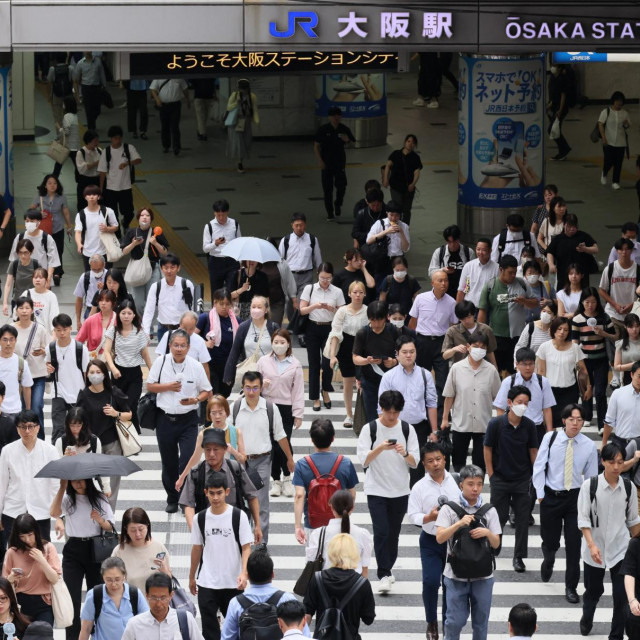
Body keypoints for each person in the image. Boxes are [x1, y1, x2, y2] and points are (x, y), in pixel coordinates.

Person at [532, 404, 598, 604]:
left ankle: (571, 587)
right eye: (572, 419)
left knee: (573, 544)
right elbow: (539, 465)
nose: (576, 423)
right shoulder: (550, 438)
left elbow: (592, 477)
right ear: (564, 420)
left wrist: (588, 504)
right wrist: (541, 494)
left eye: (579, 420)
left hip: (574, 499)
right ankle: (549, 557)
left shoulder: (588, 445)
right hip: (551, 496)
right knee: (550, 540)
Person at [357, 390, 419, 593]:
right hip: (376, 489)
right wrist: (380, 448)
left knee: (393, 533)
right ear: (381, 409)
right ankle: (383, 573)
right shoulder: (370, 428)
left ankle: (388, 569)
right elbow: (364, 460)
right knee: (381, 531)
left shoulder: (407, 429)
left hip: (400, 490)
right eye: (388, 411)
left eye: (396, 412)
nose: (392, 416)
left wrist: (405, 453)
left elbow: (415, 462)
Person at [577, 443, 640, 638]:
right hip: (593, 551)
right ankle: (587, 617)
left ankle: (615, 636)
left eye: (620, 462)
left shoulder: (628, 488)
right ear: (602, 461)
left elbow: (633, 523)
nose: (616, 467)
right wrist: (592, 545)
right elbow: (583, 519)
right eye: (611, 462)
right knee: (593, 592)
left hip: (620, 550)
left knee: (621, 598)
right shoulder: (590, 486)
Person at [146, 329, 212, 513]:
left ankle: (187, 498)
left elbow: (206, 390)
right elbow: (150, 385)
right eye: (176, 345)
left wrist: (196, 400)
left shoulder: (195, 366)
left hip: (188, 420)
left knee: (188, 460)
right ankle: (172, 498)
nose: (179, 349)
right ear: (170, 346)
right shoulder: (161, 362)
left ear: (189, 347)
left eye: (183, 345)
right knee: (169, 462)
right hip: (164, 419)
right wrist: (168, 387)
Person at [435, 464, 501, 640]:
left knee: (481, 623)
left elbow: (496, 544)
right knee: (454, 621)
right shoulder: (449, 509)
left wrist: (487, 533)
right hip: (455, 576)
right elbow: (440, 537)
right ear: (461, 485)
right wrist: (458, 524)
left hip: (483, 576)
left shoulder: (490, 511)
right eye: (470, 484)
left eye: (479, 484)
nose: (475, 488)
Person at [230, 372, 293, 543]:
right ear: (243, 387)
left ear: (261, 388)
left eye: (255, 388)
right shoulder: (235, 408)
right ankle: (242, 540)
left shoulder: (270, 409)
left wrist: (289, 458)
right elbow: (227, 434)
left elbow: (280, 436)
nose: (251, 392)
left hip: (262, 461)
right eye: (248, 388)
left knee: (261, 502)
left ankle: (261, 542)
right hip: (239, 462)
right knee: (240, 502)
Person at [189, 471, 252, 640]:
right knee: (209, 631)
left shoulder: (239, 516)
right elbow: (196, 549)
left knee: (237, 628)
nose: (215, 497)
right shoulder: (199, 519)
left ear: (227, 492)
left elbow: (246, 547)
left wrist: (244, 573)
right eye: (212, 493)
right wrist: (191, 577)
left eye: (219, 493)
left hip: (233, 582)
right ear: (206, 493)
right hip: (207, 581)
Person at [50, 477, 115, 640]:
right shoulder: (68, 499)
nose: (78, 483)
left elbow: (111, 526)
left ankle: (96, 634)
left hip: (95, 549)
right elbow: (53, 513)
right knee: (71, 598)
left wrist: (100, 520)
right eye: (74, 481)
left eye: (81, 480)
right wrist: (61, 487)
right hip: (73, 548)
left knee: (96, 595)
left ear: (88, 480)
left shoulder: (99, 498)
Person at [407, 442, 460, 640]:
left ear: (444, 459)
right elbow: (412, 515)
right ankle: (431, 621)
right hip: (430, 540)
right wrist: (428, 518)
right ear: (424, 464)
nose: (436, 464)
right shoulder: (419, 487)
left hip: (453, 540)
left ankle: (447, 621)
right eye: (430, 461)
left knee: (450, 583)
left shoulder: (456, 481)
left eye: (438, 459)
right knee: (430, 582)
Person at [484, 385, 538, 573]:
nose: (522, 406)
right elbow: (488, 449)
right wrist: (491, 475)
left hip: (523, 480)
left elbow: (533, 451)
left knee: (522, 520)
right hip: (500, 479)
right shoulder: (496, 424)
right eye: (519, 402)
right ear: (509, 403)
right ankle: (493, 548)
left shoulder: (529, 426)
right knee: (498, 517)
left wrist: (536, 477)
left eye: (526, 403)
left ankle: (518, 557)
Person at [178, 426, 260, 541]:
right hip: (207, 530)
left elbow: (252, 496)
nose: (211, 454)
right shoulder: (195, 473)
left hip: (234, 528)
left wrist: (257, 525)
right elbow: (188, 504)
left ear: (224, 449)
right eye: (207, 449)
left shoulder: (235, 468)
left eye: (216, 449)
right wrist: (195, 531)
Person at [379, 335, 438, 485]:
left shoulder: (425, 375)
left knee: (416, 467)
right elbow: (381, 407)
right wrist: (383, 430)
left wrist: (434, 431)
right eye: (404, 352)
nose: (408, 355)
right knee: (394, 464)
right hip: (395, 427)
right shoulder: (388, 377)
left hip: (419, 428)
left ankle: (414, 500)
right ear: (397, 354)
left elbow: (431, 403)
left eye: (412, 351)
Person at [76, 359, 132, 510]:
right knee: (92, 485)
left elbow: (129, 414)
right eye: (92, 372)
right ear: (87, 375)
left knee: (111, 488)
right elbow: (78, 419)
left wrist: (116, 413)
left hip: (112, 444)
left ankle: (109, 519)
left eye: (98, 372)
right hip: (92, 447)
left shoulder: (113, 392)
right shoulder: (84, 395)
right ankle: (95, 516)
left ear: (104, 374)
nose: (95, 375)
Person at [442, 332, 502, 472]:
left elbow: (498, 398)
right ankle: (459, 490)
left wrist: (499, 422)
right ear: (468, 347)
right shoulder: (457, 368)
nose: (479, 349)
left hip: (483, 424)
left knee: (480, 463)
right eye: (475, 346)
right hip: (461, 424)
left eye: (483, 347)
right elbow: (449, 395)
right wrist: (445, 419)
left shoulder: (491, 370)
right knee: (458, 462)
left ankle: (476, 491)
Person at [293, 418, 359, 545]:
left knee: (314, 561)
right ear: (333, 438)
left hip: (313, 522)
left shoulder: (302, 464)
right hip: (339, 522)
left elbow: (299, 495)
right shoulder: (345, 463)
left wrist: (297, 526)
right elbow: (352, 494)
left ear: (312, 439)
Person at [0, 410, 57, 552]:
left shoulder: (50, 451)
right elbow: (2, 484)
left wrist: (60, 517)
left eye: (30, 426)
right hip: (12, 511)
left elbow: (55, 485)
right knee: (14, 554)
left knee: (42, 554)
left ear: (38, 427)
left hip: (40, 511)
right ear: (17, 429)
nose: (27, 431)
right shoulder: (8, 451)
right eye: (22, 427)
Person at [256, 329, 304, 498]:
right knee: (272, 445)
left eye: (282, 342)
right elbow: (253, 385)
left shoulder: (295, 364)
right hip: (267, 406)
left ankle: (287, 477)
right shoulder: (263, 361)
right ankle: (275, 479)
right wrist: (263, 385)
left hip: (286, 408)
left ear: (289, 344)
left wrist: (298, 414)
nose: (278, 345)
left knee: (283, 442)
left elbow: (298, 390)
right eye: (276, 342)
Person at [221, 546, 304, 640]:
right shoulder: (287, 600)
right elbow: (302, 635)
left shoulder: (236, 603)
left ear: (247, 575)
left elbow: (227, 637)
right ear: (272, 574)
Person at [303, 534, 376, 640]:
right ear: (354, 554)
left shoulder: (318, 578)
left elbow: (307, 613)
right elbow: (368, 619)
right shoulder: (362, 584)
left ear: (331, 552)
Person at [477, 254, 539, 375]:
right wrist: (480, 335)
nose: (513, 275)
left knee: (516, 368)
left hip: (518, 336)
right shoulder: (490, 286)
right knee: (495, 369)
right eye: (510, 272)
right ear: (501, 270)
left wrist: (525, 302)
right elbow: (482, 311)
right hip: (497, 336)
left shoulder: (522, 284)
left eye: (515, 272)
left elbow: (535, 303)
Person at [408, 270, 457, 417]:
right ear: (432, 283)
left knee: (442, 380)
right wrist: (413, 342)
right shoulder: (421, 299)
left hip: (441, 343)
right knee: (420, 378)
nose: (444, 284)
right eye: (440, 281)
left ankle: (441, 414)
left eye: (446, 280)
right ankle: (420, 411)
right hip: (422, 341)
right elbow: (412, 322)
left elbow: (454, 325)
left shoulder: (451, 302)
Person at [299, 262, 345, 411]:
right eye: (322, 277)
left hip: (330, 329)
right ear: (317, 275)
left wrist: (333, 309)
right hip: (312, 327)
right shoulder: (309, 288)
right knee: (313, 364)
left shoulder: (337, 291)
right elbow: (302, 310)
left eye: (328, 278)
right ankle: (315, 397)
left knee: (328, 363)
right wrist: (315, 306)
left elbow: (343, 313)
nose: (325, 281)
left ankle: (325, 390)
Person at [2, 513, 61, 625]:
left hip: (44, 602)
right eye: (22, 536)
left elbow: (54, 579)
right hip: (20, 602)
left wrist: (42, 560)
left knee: (43, 635)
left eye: (30, 535)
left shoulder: (48, 548)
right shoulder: (12, 552)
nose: (27, 540)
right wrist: (11, 578)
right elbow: (4, 584)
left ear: (36, 532)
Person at [572, 288, 617, 432]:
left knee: (600, 392)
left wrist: (602, 333)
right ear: (582, 303)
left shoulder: (604, 317)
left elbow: (615, 336)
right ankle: (587, 416)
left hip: (601, 359)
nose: (590, 305)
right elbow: (574, 341)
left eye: (593, 302)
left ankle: (602, 424)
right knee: (585, 389)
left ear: (597, 302)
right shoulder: (577, 319)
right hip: (584, 360)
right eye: (587, 302)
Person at [103, 299, 152, 433]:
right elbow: (106, 351)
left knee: (131, 404)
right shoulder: (113, 331)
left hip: (135, 373)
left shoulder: (139, 332)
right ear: (118, 314)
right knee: (118, 405)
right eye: (123, 313)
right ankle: (119, 434)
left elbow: (145, 355)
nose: (126, 316)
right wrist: (113, 368)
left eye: (129, 313)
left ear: (134, 315)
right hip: (117, 373)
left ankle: (133, 434)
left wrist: (153, 373)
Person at [326, 280, 368, 428]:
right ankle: (349, 415)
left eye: (360, 292)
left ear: (364, 294)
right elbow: (335, 334)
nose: (357, 295)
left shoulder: (368, 311)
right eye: (354, 292)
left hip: (363, 348)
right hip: (346, 347)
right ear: (349, 294)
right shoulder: (342, 311)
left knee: (364, 382)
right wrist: (332, 355)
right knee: (348, 382)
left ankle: (364, 414)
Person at [79, 556, 150, 640]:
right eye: (108, 580)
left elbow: (146, 623)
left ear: (124, 576)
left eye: (117, 579)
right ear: (103, 577)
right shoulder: (94, 595)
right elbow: (86, 629)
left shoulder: (135, 594)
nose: (113, 584)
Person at [279, 212, 323, 347]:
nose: (299, 228)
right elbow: (280, 260)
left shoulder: (312, 239)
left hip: (306, 275)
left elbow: (318, 259)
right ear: (292, 225)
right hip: (289, 275)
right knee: (289, 302)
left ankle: (301, 331)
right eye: (297, 225)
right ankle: (294, 326)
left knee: (302, 303)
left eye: (302, 225)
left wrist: (320, 275)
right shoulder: (285, 240)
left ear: (305, 225)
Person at [495, 347, 555, 446]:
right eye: (524, 364)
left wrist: (549, 432)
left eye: (531, 364)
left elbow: (547, 409)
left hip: (536, 427)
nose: (528, 368)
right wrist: (502, 430)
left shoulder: (543, 382)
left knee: (536, 459)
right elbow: (500, 408)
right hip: (514, 427)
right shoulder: (509, 382)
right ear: (517, 364)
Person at [353, 301, 400, 422]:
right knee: (372, 418)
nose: (376, 324)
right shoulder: (363, 333)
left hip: (391, 381)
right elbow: (355, 358)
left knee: (391, 415)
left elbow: (404, 352)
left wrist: (394, 361)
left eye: (379, 320)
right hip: (369, 381)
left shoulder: (393, 331)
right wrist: (367, 360)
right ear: (368, 319)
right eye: (373, 320)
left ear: (386, 318)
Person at [306, 490, 372, 576]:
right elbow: (364, 568)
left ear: (332, 507)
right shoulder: (362, 534)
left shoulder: (318, 534)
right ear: (352, 508)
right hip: (353, 585)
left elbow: (310, 562)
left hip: (325, 584)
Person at [46, 314, 90, 443]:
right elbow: (47, 364)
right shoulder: (51, 347)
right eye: (58, 330)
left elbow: (85, 372)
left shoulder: (80, 348)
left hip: (78, 393)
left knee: (78, 427)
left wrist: (87, 394)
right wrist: (48, 368)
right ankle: (56, 454)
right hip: (58, 392)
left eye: (64, 329)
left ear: (71, 328)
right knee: (58, 428)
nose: (62, 333)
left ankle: (80, 451)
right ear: (54, 330)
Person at [122, 572, 203, 640]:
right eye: (154, 598)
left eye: (163, 598)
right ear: (147, 596)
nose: (158, 604)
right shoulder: (134, 624)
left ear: (171, 595)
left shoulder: (186, 619)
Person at [222, 296, 279, 390]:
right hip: (250, 373)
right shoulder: (243, 327)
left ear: (266, 310)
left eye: (259, 307)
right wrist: (228, 375)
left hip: (270, 374)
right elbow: (235, 351)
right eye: (253, 307)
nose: (256, 309)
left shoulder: (273, 327)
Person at [120, 207, 169, 312]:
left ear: (151, 218)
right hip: (137, 269)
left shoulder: (156, 232)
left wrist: (155, 243)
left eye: (147, 215)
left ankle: (149, 326)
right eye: (142, 215)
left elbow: (165, 252)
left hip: (153, 269)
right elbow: (124, 251)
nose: (145, 218)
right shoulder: (131, 232)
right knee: (137, 301)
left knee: (152, 300)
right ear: (138, 218)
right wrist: (133, 243)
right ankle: (142, 323)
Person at [111, 507, 171, 593]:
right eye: (133, 530)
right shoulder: (119, 552)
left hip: (156, 603)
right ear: (126, 529)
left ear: (147, 525)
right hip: (131, 603)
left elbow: (168, 579)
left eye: (141, 529)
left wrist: (166, 572)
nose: (138, 534)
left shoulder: (159, 547)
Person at [12, 297, 48, 434]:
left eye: (27, 308)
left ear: (32, 310)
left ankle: (40, 440)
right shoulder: (11, 328)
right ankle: (22, 438)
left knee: (36, 407)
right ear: (16, 311)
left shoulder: (39, 329)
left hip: (37, 375)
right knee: (20, 409)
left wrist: (43, 351)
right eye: (21, 308)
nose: (24, 311)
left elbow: (49, 349)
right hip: (18, 377)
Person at [29, 173, 72, 286]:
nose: (52, 185)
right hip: (44, 229)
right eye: (49, 183)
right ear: (45, 185)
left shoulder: (61, 196)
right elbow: (31, 209)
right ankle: (46, 272)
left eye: (55, 183)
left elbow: (66, 212)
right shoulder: (40, 196)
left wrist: (69, 226)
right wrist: (39, 213)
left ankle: (57, 274)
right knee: (45, 250)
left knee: (58, 250)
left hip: (58, 227)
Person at [142, 253, 195, 342]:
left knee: (182, 355)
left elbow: (192, 307)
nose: (169, 271)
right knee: (163, 356)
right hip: (163, 329)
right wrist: (146, 332)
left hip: (183, 329)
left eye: (172, 267)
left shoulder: (186, 284)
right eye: (166, 268)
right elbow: (148, 311)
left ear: (178, 268)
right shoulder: (156, 287)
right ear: (161, 268)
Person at [98, 125, 142, 231]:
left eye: (119, 138)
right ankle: (116, 236)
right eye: (115, 138)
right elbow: (102, 171)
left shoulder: (128, 148)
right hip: (110, 188)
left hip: (125, 187)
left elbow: (138, 160)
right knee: (112, 214)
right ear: (111, 138)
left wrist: (127, 163)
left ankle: (125, 223)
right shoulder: (106, 152)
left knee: (129, 212)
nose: (117, 140)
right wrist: (100, 189)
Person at [314, 106, 355, 220]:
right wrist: (320, 161)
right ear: (330, 117)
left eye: (338, 115)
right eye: (333, 116)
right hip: (326, 164)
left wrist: (347, 140)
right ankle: (330, 213)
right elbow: (316, 146)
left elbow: (353, 143)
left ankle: (338, 203)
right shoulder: (323, 129)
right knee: (328, 190)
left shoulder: (344, 129)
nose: (336, 118)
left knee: (342, 186)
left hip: (339, 163)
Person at [197, 288, 238, 397]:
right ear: (215, 303)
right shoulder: (205, 318)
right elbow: (190, 336)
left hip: (228, 366)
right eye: (221, 304)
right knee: (213, 395)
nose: (224, 307)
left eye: (227, 304)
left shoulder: (236, 321)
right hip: (210, 365)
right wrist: (204, 343)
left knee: (225, 394)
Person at [546, 214, 599, 290]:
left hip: (581, 277)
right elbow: (549, 252)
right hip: (563, 276)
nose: (572, 229)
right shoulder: (558, 239)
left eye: (574, 226)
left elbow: (596, 249)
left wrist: (585, 249)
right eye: (569, 226)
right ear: (564, 225)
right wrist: (551, 265)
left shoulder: (584, 236)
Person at [365, 200, 410, 288]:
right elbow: (368, 240)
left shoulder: (404, 226)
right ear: (387, 213)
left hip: (398, 260)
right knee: (381, 287)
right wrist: (385, 232)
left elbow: (405, 248)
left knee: (397, 287)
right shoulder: (379, 224)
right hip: (382, 260)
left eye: (397, 215)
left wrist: (401, 232)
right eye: (391, 215)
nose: (393, 218)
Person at [74, 184, 119, 271]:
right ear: (85, 197)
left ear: (98, 197)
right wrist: (79, 244)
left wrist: (107, 229)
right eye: (89, 195)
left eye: (94, 194)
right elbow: (78, 232)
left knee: (106, 277)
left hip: (105, 251)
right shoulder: (81, 215)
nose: (91, 197)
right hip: (87, 251)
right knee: (90, 277)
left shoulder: (108, 211)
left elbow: (116, 226)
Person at [202, 199, 241, 299]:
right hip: (216, 261)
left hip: (231, 261)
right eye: (218, 215)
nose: (221, 218)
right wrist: (215, 243)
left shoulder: (234, 224)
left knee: (232, 291)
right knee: (216, 292)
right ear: (214, 213)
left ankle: (231, 313)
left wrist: (241, 262)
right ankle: (215, 313)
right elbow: (205, 248)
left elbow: (239, 242)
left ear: (227, 212)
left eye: (223, 215)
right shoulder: (209, 226)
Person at [155, 311, 211, 380]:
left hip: (191, 379)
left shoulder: (199, 341)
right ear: (180, 324)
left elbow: (205, 365)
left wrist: (208, 387)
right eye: (184, 328)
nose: (187, 332)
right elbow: (160, 357)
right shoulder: (168, 335)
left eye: (191, 329)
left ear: (195, 327)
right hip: (169, 377)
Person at [8, 212, 60, 286]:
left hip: (41, 280)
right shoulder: (20, 237)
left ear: (39, 222)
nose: (29, 223)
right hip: (23, 280)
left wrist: (47, 279)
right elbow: (14, 259)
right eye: (27, 221)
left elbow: (53, 261)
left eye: (32, 221)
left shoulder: (46, 238)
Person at [442, 300, 498, 367]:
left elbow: (490, 352)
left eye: (469, 317)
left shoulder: (486, 330)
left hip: (482, 368)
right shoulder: (452, 331)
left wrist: (495, 369)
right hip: (461, 369)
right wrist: (454, 349)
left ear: (474, 314)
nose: (466, 321)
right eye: (462, 319)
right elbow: (445, 356)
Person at [383, 134, 423, 224]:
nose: (410, 144)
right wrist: (385, 179)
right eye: (408, 141)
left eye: (413, 143)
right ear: (405, 142)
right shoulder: (396, 154)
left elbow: (417, 172)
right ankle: (396, 228)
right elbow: (388, 166)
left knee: (407, 210)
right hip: (395, 186)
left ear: (415, 145)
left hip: (408, 188)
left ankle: (405, 229)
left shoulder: (415, 158)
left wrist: (413, 184)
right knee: (397, 208)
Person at [428, 225, 474, 297]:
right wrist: (443, 270)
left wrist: (465, 293)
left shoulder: (468, 252)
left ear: (459, 239)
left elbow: (472, 275)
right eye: (449, 242)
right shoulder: (439, 252)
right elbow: (431, 273)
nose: (452, 245)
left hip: (462, 292)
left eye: (455, 241)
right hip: (444, 293)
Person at [603, 362, 640, 453]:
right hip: (619, 442)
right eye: (639, 376)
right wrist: (604, 442)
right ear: (631, 374)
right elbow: (609, 421)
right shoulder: (618, 393)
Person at [0, 325, 33, 421]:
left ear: (16, 340)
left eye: (11, 339)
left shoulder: (21, 362)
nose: (8, 343)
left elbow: (27, 387)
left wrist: (28, 410)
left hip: (15, 410)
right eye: (5, 340)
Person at [150, 77, 190, 156]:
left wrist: (188, 99)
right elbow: (153, 90)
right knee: (165, 126)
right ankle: (166, 145)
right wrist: (157, 99)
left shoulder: (179, 78)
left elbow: (185, 89)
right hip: (163, 105)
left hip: (175, 105)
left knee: (175, 126)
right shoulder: (159, 78)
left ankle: (176, 147)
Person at [226, 78, 259, 174]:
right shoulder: (234, 95)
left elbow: (255, 109)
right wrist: (237, 103)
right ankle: (239, 163)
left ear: (248, 89)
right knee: (238, 143)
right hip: (236, 122)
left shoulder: (252, 97)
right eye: (241, 88)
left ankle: (240, 160)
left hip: (246, 121)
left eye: (244, 89)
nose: (243, 91)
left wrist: (257, 121)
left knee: (246, 142)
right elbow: (228, 107)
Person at [599, 91, 631, 190]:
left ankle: (615, 182)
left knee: (618, 162)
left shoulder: (625, 113)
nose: (619, 104)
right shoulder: (606, 111)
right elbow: (600, 124)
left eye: (621, 102)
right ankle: (604, 172)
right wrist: (603, 137)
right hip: (608, 141)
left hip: (621, 142)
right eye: (617, 101)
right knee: (609, 160)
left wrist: (626, 124)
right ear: (613, 101)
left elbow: (627, 125)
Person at [456, 237, 499, 305]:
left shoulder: (497, 268)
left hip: (487, 307)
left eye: (484, 250)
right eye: (478, 249)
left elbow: (500, 291)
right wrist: (458, 310)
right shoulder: (468, 266)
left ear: (490, 251)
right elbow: (462, 290)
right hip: (470, 307)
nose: (480, 252)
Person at [4, 239, 41, 317]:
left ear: (31, 252)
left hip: (33, 302)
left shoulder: (36, 265)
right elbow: (8, 284)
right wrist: (5, 303)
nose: (23, 256)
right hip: (17, 301)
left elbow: (42, 285)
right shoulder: (14, 264)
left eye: (26, 253)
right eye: (20, 252)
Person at [76, 289, 116, 359]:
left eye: (107, 301)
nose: (103, 303)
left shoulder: (118, 320)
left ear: (113, 303)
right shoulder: (90, 320)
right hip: (94, 361)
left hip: (113, 360)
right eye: (101, 300)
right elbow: (78, 341)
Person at [73, 52, 106, 131]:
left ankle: (92, 120)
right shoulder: (80, 63)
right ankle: (91, 127)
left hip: (96, 87)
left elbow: (102, 73)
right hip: (86, 88)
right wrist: (77, 94)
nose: (87, 51)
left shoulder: (98, 61)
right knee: (88, 109)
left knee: (97, 109)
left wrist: (104, 85)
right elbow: (76, 79)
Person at [73, 254, 107, 327]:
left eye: (99, 269)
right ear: (90, 266)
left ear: (104, 264)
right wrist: (78, 321)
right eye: (94, 269)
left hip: (107, 310)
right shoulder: (85, 277)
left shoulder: (110, 276)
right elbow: (79, 298)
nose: (97, 272)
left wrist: (105, 289)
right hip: (90, 309)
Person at [21, 268, 59, 332]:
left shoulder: (51, 296)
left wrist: (54, 333)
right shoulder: (26, 293)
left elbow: (54, 316)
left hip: (45, 333)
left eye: (41, 278)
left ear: (46, 280)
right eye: (35, 277)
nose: (38, 280)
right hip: (28, 332)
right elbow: (16, 311)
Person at [547, 63, 572, 161]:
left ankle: (564, 150)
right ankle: (564, 150)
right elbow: (554, 94)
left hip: (560, 109)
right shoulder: (554, 78)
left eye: (555, 66)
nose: (553, 68)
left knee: (552, 130)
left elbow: (563, 96)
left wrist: (560, 110)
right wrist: (550, 105)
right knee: (555, 130)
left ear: (560, 68)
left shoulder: (562, 79)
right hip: (555, 107)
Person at [52, 96, 80, 178]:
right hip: (75, 146)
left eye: (64, 103)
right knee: (78, 167)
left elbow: (66, 132)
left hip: (68, 146)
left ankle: (50, 182)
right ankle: (82, 180)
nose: (63, 105)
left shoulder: (67, 116)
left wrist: (59, 128)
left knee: (57, 167)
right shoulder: (75, 116)